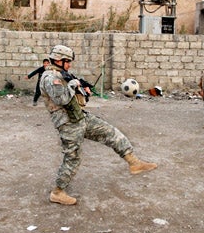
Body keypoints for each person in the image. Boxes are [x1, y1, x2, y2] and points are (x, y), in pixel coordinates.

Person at [39, 45, 157, 205]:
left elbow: (75, 98)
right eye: (68, 62)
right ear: (59, 60)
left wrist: (83, 91)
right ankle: (58, 192)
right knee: (72, 158)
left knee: (110, 132)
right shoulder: (50, 78)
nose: (70, 65)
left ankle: (134, 163)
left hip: (80, 118)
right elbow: (61, 99)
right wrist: (73, 85)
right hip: (67, 124)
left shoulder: (62, 75)